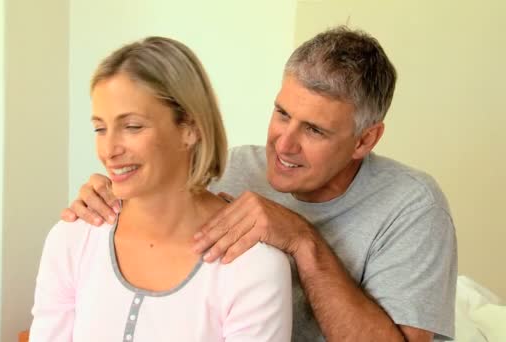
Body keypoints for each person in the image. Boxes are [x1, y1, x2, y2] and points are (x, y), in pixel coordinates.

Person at [63, 26, 458, 341]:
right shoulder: (235, 169)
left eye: (315, 130)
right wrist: (112, 195)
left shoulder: (412, 206)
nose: (284, 143)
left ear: (365, 140)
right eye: (282, 113)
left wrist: (302, 240)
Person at [29, 37, 293, 341]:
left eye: (132, 127)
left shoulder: (253, 268)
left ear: (189, 128)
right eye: (100, 128)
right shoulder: (72, 240)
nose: (109, 150)